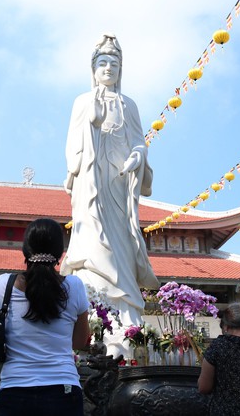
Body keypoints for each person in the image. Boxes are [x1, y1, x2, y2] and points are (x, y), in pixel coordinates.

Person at [61, 34, 159, 354]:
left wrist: (138, 156)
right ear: (93, 68)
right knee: (92, 243)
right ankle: (93, 314)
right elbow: (73, 144)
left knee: (122, 251)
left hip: (119, 186)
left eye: (114, 64)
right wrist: (92, 121)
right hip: (91, 185)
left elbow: (138, 140)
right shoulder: (82, 101)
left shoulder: (128, 104)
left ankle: (126, 321)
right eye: (102, 63)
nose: (108, 69)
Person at [0, 218, 91, 416]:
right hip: (63, 389)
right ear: (60, 252)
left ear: (25, 249)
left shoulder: (3, 285)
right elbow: (79, 341)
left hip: (15, 389)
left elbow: (1, 331)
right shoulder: (75, 286)